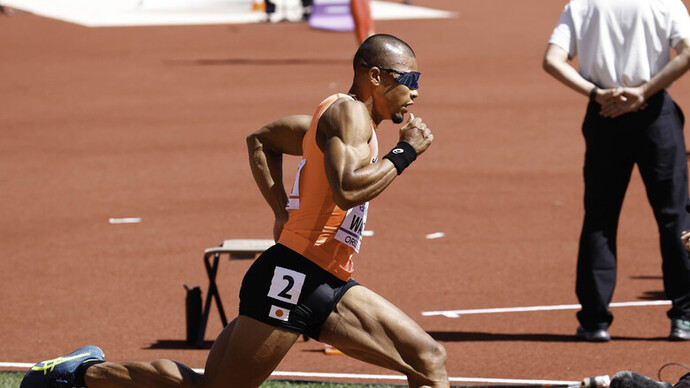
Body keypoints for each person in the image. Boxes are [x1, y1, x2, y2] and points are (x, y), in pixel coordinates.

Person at [20, 33, 449, 388]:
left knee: (427, 360)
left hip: (324, 277)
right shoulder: (348, 114)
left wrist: (283, 212)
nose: (415, 90)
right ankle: (77, 376)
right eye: (408, 77)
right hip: (293, 278)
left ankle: (78, 375)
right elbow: (346, 191)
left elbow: (261, 140)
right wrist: (406, 150)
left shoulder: (348, 124)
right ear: (374, 76)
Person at [542, 0, 690, 342]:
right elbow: (686, 51)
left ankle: (594, 320)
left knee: (599, 217)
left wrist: (597, 93)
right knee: (675, 217)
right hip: (655, 114)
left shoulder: (582, 4)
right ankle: (683, 316)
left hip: (603, 114)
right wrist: (642, 92)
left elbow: (552, 60)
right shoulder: (665, 3)